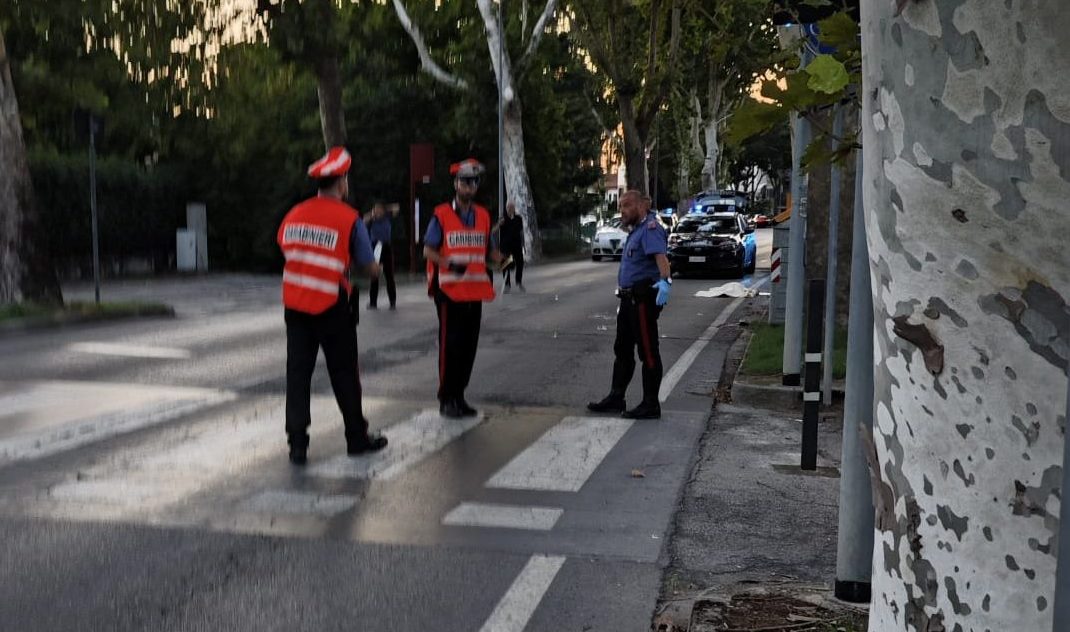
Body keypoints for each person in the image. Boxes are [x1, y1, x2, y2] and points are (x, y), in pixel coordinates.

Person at [277, 146, 388, 465]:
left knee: (298, 374)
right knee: (344, 373)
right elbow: (367, 266)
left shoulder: (294, 214)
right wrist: (376, 270)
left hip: (295, 306)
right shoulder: (349, 218)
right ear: (341, 182)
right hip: (331, 305)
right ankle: (356, 438)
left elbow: (285, 246)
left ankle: (298, 443)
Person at [423, 158, 503, 419]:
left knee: (468, 348)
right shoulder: (441, 215)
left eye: (474, 182)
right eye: (465, 182)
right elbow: (428, 250)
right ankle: (446, 398)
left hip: (474, 292)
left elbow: (489, 251)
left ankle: (459, 396)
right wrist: (449, 263)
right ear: (456, 184)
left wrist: (504, 261)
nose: (470, 187)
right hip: (449, 291)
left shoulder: (483, 216)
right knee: (451, 347)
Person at [587, 190, 672, 420]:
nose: (622, 211)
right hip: (627, 300)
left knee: (648, 351)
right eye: (620, 206)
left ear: (641, 206)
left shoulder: (650, 229)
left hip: (641, 300)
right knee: (623, 350)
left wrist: (665, 283)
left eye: (626, 205)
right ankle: (617, 397)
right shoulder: (637, 230)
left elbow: (661, 260)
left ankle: (651, 404)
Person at [365, 201, 397, 310]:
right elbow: (363, 220)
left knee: (389, 276)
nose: (377, 211)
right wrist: (372, 213)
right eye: (375, 209)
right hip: (375, 248)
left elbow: (396, 208)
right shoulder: (372, 219)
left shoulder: (387, 217)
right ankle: (373, 302)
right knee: (374, 275)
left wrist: (384, 209)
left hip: (386, 247)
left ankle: (392, 302)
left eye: (379, 209)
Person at [496, 201, 525, 293]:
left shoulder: (518, 218)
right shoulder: (502, 218)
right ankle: (507, 284)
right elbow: (495, 229)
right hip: (506, 246)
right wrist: (499, 224)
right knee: (505, 264)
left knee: (520, 262)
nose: (510, 209)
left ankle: (518, 281)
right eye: (508, 207)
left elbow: (521, 232)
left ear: (514, 208)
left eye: (512, 207)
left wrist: (523, 244)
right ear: (506, 208)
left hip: (517, 245)